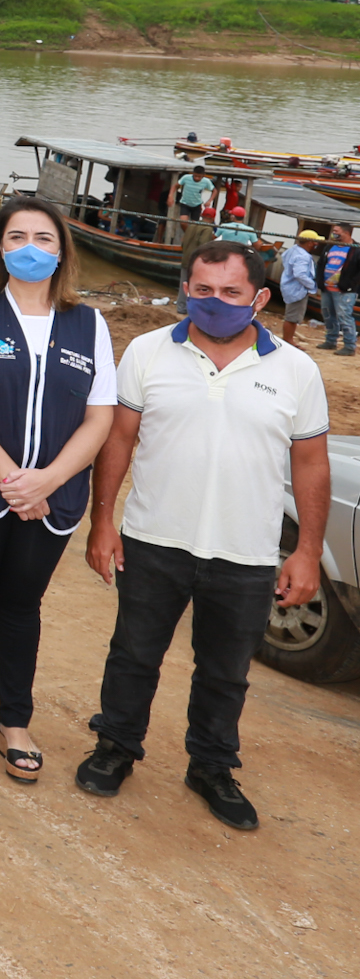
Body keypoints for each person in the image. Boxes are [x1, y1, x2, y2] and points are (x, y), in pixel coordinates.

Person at [76, 241, 329, 830]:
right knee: (134, 655)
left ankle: (211, 766)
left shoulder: (297, 370)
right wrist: (103, 521)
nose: (215, 302)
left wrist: (309, 550)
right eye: (203, 289)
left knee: (225, 670)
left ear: (260, 298)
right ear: (186, 288)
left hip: (246, 551)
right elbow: (118, 442)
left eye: (232, 293)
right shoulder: (145, 352)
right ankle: (116, 745)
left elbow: (312, 464)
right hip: (153, 539)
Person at [0, 196, 116, 780]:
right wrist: (14, 480)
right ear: (0, 248)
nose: (29, 248)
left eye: (43, 238)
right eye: (16, 238)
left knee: (21, 606)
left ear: (63, 252)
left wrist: (49, 483)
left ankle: (15, 723)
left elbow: (100, 416)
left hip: (52, 500)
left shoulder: (89, 322)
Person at [317, 222, 356, 355]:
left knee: (344, 316)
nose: (334, 233)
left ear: (346, 233)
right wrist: (320, 282)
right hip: (327, 288)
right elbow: (321, 264)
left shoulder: (355, 249)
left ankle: (350, 346)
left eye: (336, 231)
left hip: (345, 291)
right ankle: (331, 340)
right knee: (328, 315)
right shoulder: (329, 247)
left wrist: (351, 285)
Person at [279, 229, 321, 346]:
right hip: (297, 289)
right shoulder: (303, 256)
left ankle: (288, 339)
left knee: (293, 316)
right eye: (315, 242)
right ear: (309, 243)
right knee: (292, 317)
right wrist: (312, 286)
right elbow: (300, 274)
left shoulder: (292, 250)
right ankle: (288, 340)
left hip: (289, 286)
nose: (316, 245)